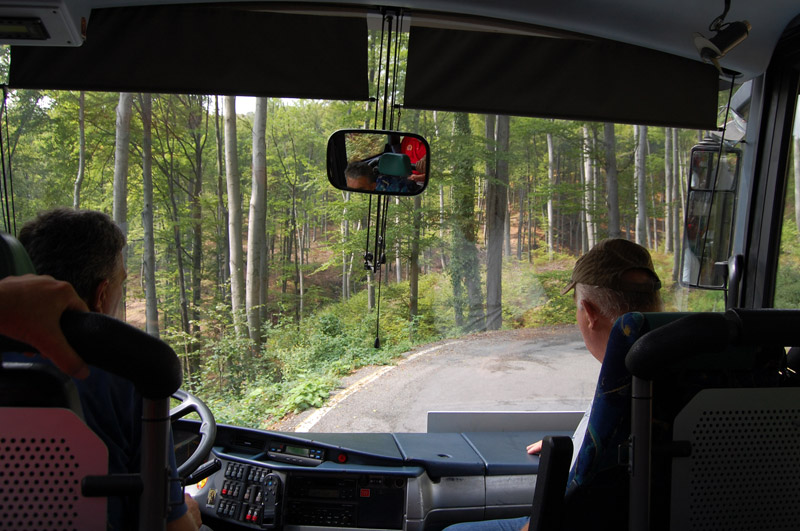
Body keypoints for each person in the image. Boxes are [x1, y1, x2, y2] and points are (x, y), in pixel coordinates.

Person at [446, 238, 663, 531]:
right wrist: (577, 446)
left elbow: (577, 506)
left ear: (590, 313)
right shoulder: (676, 374)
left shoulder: (619, 393)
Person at [12, 208, 202, 531]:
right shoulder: (130, 374)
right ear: (100, 295)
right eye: (121, 284)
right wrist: (190, 515)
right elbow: (171, 527)